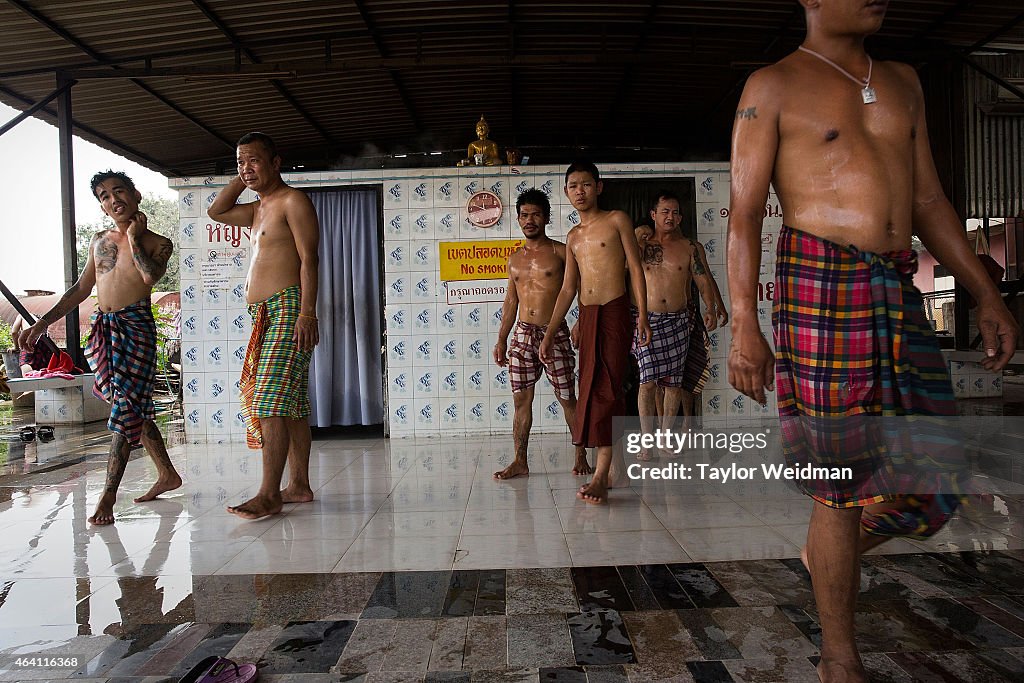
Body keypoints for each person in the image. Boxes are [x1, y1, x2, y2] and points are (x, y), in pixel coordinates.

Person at [726, 2, 1019, 681]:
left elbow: (930, 203)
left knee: (937, 476)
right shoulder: (770, 86)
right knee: (841, 483)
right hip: (818, 283)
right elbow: (742, 212)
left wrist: (988, 292)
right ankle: (839, 659)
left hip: (894, 281)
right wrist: (745, 320)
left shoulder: (905, 80)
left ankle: (836, 545)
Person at [17, 171, 182, 525]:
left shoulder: (158, 242)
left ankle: (108, 496)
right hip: (105, 329)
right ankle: (167, 474)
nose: (112, 200)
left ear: (136, 196)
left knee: (125, 408)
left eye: (118, 192)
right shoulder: (99, 242)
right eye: (104, 196)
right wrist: (43, 323)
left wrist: (135, 237)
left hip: (136, 328)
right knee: (133, 405)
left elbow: (150, 276)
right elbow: (80, 290)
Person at [207, 132, 320, 520]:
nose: (246, 168)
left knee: (269, 401)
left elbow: (310, 260)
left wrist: (308, 313)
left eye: (254, 160)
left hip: (289, 308)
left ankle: (269, 493)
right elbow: (216, 212)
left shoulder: (293, 201)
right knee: (291, 406)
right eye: (240, 162)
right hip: (264, 314)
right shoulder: (257, 210)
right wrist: (245, 176)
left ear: (277, 162)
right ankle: (299, 485)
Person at [540, 161, 651, 504]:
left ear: (598, 187)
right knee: (589, 387)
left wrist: (642, 315)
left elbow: (635, 267)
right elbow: (568, 288)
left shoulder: (616, 219)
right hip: (587, 315)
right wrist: (550, 331)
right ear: (566, 192)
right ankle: (612, 463)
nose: (580, 192)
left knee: (608, 385)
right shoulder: (573, 237)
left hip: (616, 310)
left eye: (586, 185)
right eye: (573, 186)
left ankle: (600, 475)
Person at [493, 189, 592, 479]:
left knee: (567, 398)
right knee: (521, 400)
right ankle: (520, 461)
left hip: (555, 332)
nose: (529, 220)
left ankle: (580, 455)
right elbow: (511, 301)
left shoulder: (562, 252)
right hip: (522, 334)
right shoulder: (514, 260)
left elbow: (582, 289)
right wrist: (501, 338)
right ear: (518, 219)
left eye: (536, 214)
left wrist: (581, 321)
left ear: (546, 217)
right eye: (524, 215)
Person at [632, 191, 721, 459]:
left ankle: (664, 439)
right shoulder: (642, 246)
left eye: (675, 212)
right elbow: (623, 268)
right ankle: (647, 442)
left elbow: (702, 280)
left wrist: (711, 308)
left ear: (680, 217)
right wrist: (637, 236)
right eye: (664, 212)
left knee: (673, 384)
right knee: (647, 382)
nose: (670, 217)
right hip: (646, 320)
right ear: (653, 215)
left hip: (679, 320)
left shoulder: (689, 248)